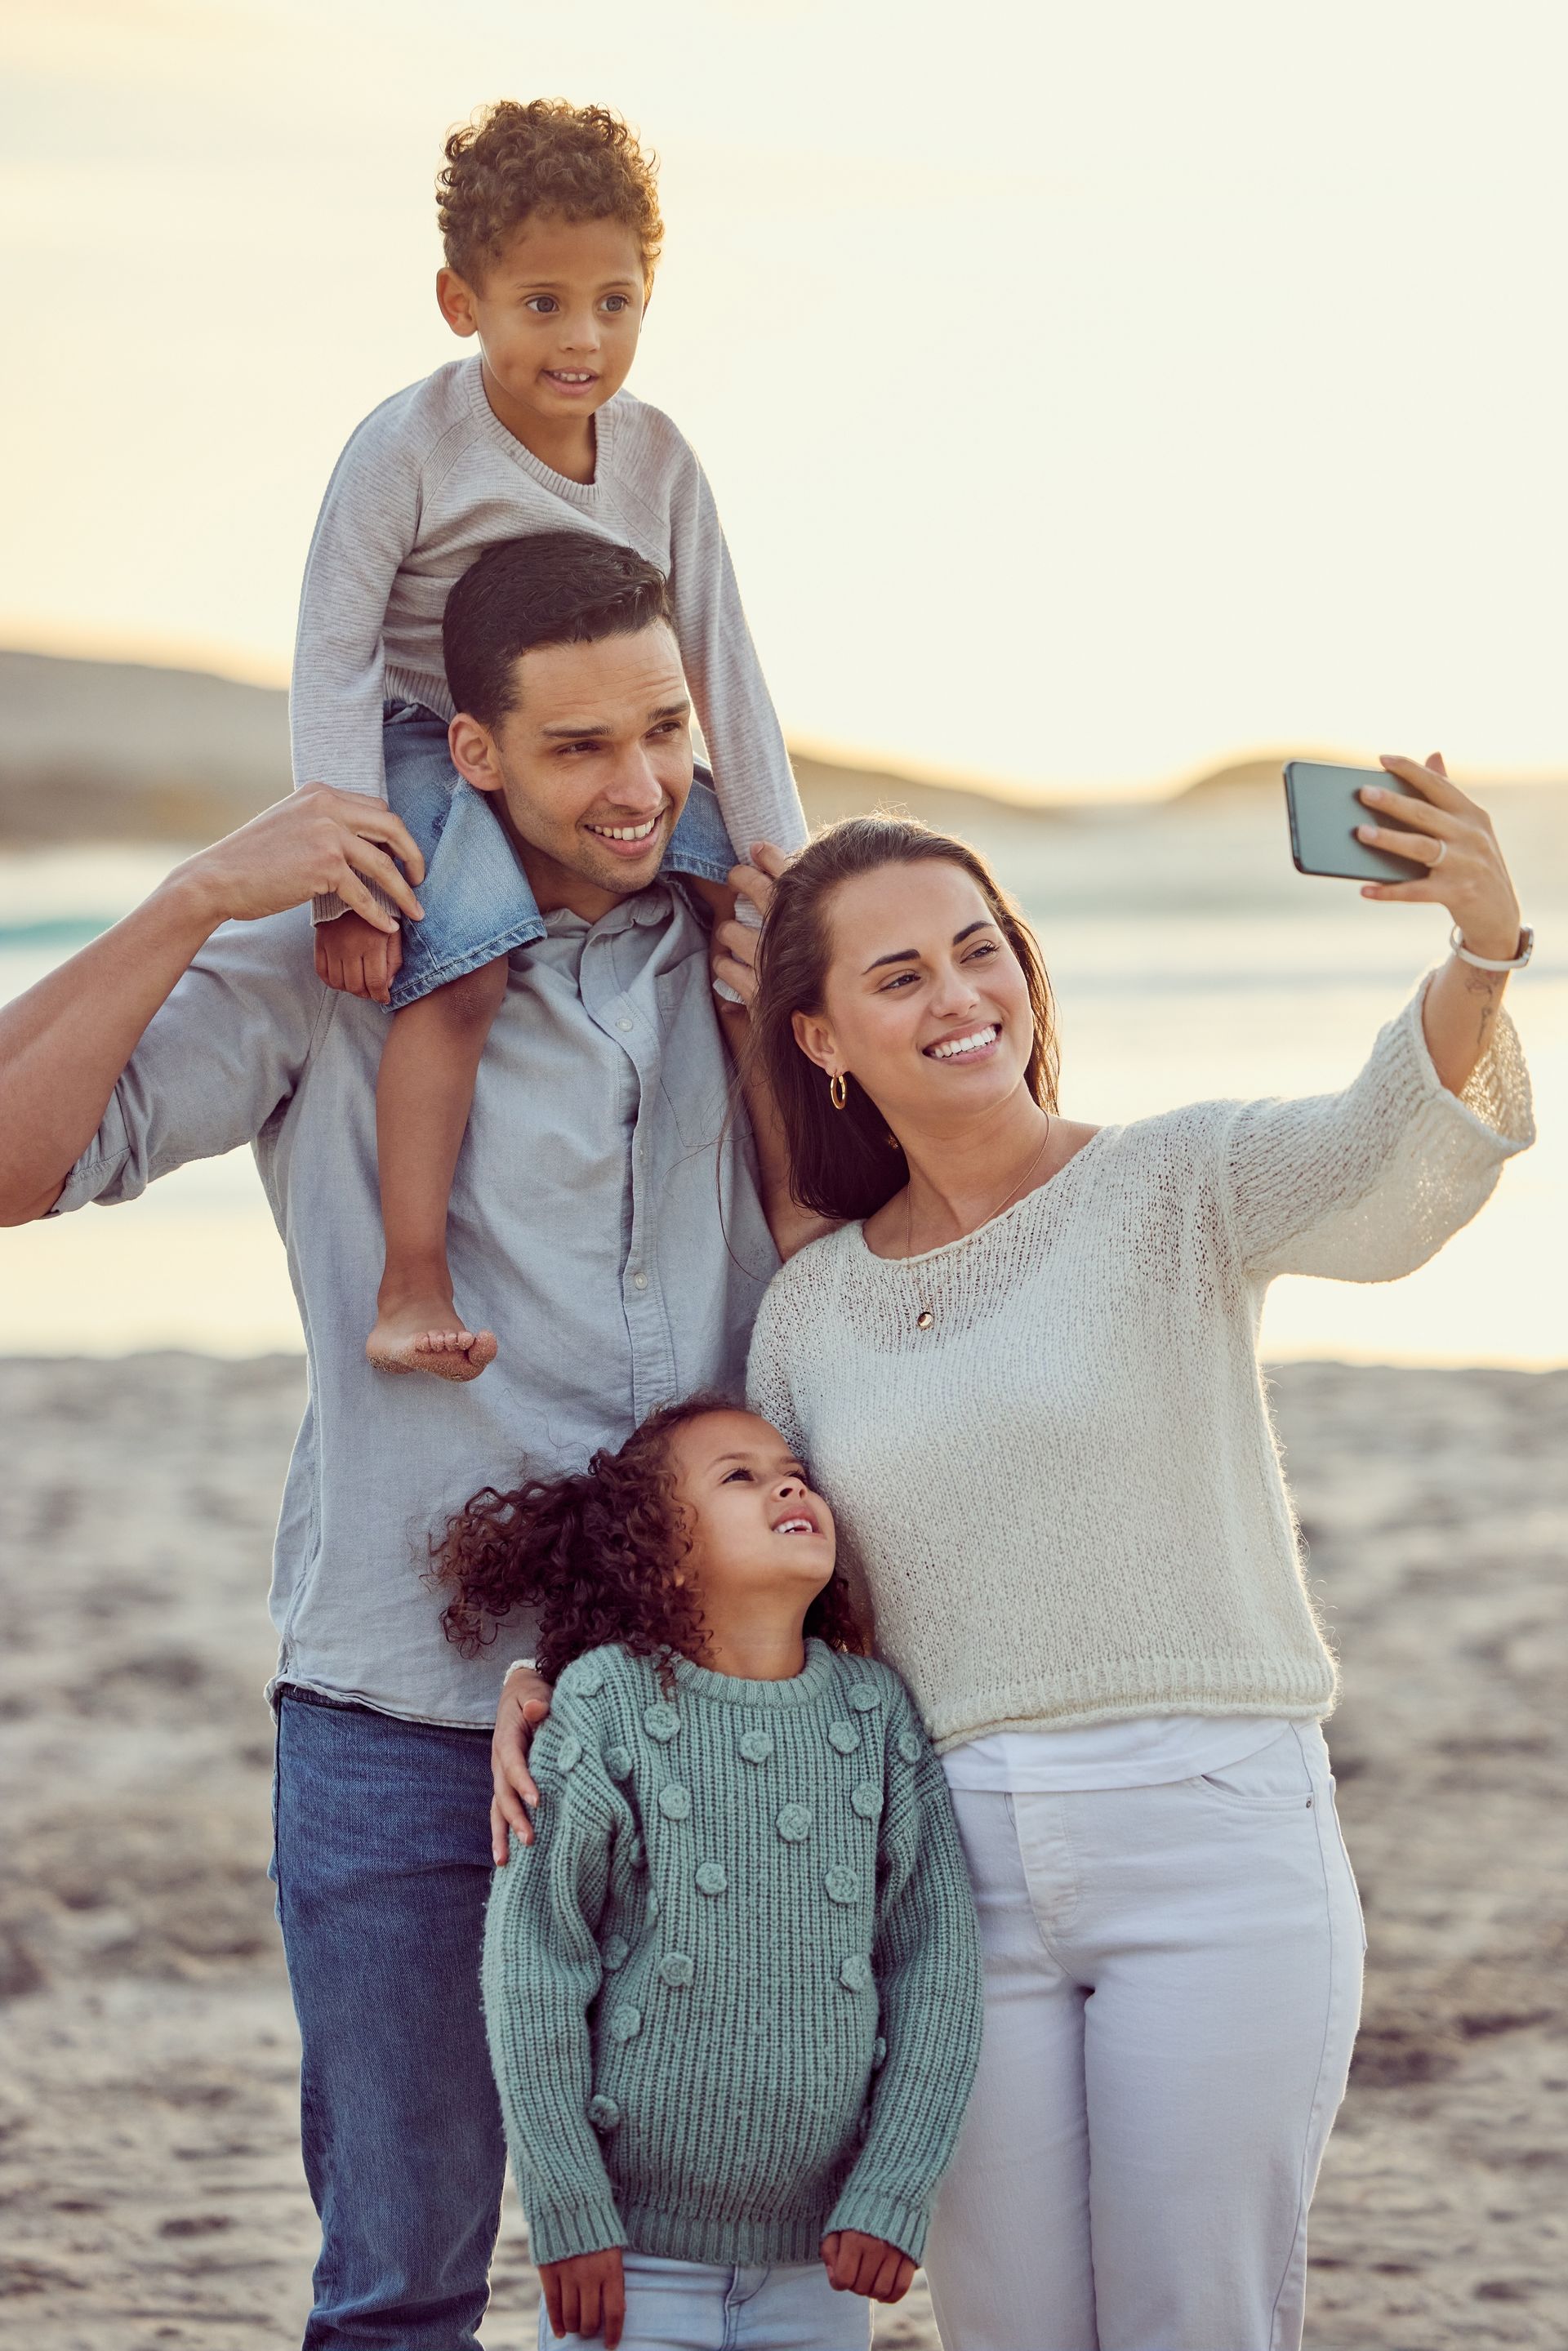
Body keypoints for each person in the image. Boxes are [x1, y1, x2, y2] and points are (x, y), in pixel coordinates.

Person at [0, 533, 793, 2351]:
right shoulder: (332, 953)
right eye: (581, 744)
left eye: (663, 728)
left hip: (720, 1710)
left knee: (722, 2274)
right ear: (476, 747)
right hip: (401, 1716)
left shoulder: (747, 933)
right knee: (401, 2276)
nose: (639, 783)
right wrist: (198, 894)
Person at [721, 763, 1534, 2351]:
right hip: (949, 1883)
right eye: (899, 973)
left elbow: (1385, 1149)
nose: (962, 994)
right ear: (818, 1037)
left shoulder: (1176, 1181)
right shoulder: (805, 1313)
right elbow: (780, 1604)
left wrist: (1484, 949)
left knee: (1195, 2317)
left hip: (1212, 1837)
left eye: (981, 946)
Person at [291, 98, 803, 1380]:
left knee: (746, 940)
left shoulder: (662, 459)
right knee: (461, 966)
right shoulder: (407, 449)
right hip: (430, 732)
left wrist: (778, 857)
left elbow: (719, 660)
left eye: (616, 303)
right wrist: (347, 882)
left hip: (603, 733)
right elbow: (335, 654)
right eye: (543, 304)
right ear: (462, 301)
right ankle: (414, 1277)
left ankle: (797, 1206)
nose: (584, 339)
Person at [434, 1396, 982, 2350]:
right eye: (740, 1475)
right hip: (626, 2260)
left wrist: (894, 2185)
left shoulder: (877, 1711)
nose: (787, 1483)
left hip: (822, 2264)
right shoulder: (604, 1704)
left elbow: (937, 1964)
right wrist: (568, 2211)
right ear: (664, 1550)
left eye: (792, 1471)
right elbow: (534, 1968)